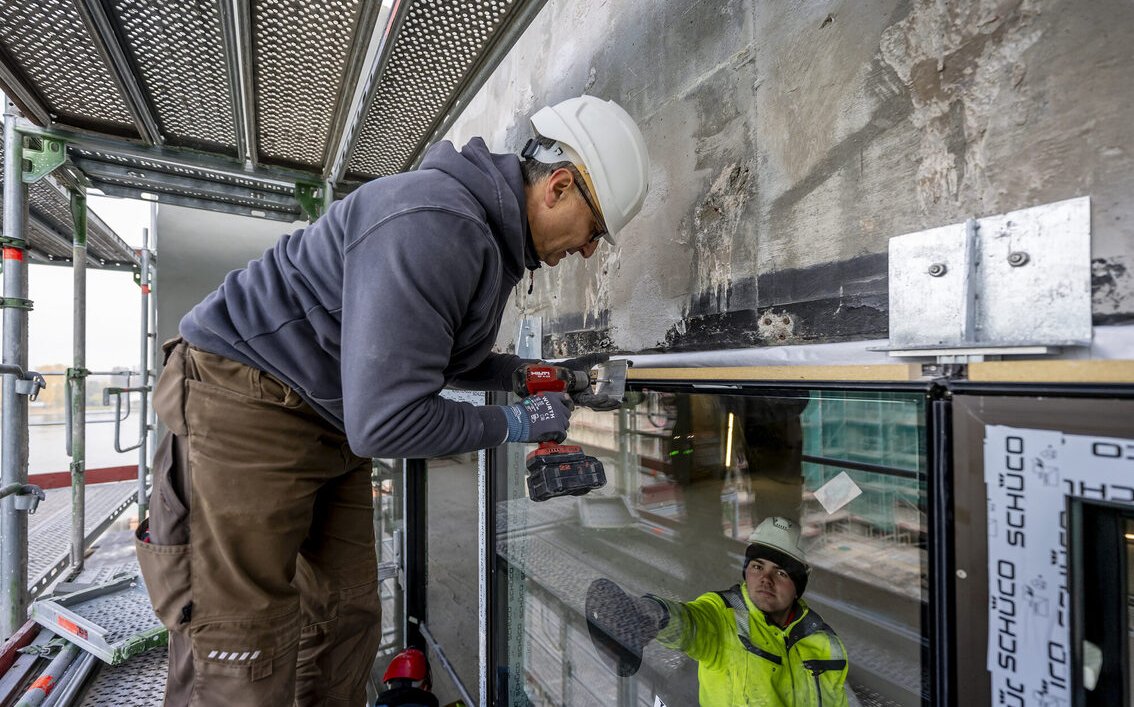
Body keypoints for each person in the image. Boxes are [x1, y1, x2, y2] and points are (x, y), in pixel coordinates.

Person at [135, 95, 649, 705]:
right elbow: (386, 423)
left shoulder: (486, 241)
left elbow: (436, 357)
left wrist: (521, 374)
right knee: (243, 645)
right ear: (559, 187)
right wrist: (513, 423)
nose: (589, 251)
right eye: (595, 232)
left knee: (346, 618)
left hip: (328, 415)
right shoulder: (436, 224)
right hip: (246, 404)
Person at [586, 516, 849, 707]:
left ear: (798, 585)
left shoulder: (825, 643)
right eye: (757, 567)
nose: (765, 580)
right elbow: (691, 622)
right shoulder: (725, 615)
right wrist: (651, 613)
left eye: (780, 573)